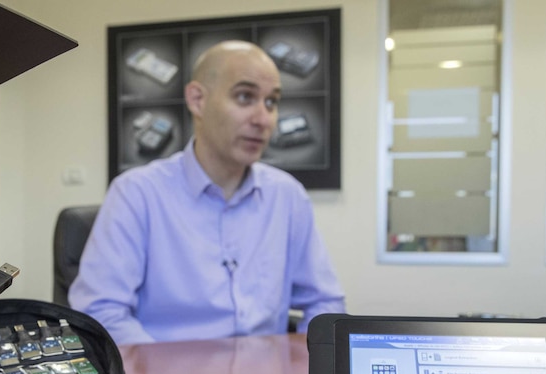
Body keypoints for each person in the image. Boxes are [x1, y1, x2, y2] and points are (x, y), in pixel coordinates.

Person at [69, 40, 345, 344]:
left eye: (271, 102)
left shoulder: (287, 196)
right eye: (244, 97)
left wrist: (306, 369)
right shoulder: (137, 194)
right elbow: (100, 312)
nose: (263, 119)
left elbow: (325, 304)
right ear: (198, 99)